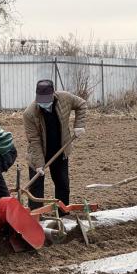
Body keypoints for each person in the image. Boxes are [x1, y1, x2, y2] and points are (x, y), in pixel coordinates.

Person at [23, 79, 87, 209]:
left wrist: (79, 126)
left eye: (46, 101)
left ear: (53, 95)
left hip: (60, 150)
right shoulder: (29, 113)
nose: (44, 104)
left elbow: (81, 104)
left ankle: (63, 213)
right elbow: (34, 141)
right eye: (41, 101)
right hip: (39, 153)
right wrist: (39, 165)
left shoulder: (65, 98)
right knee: (36, 187)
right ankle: (36, 216)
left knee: (62, 183)